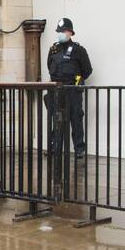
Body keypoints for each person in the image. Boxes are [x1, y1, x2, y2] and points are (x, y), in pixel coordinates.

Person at [47, 17, 91, 157]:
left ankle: (79, 149)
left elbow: (87, 70)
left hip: (73, 90)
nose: (60, 34)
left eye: (63, 31)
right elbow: (50, 67)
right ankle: (55, 147)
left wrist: (77, 80)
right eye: (59, 31)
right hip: (58, 91)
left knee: (76, 119)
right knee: (58, 119)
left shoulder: (79, 50)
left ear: (70, 33)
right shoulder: (53, 50)